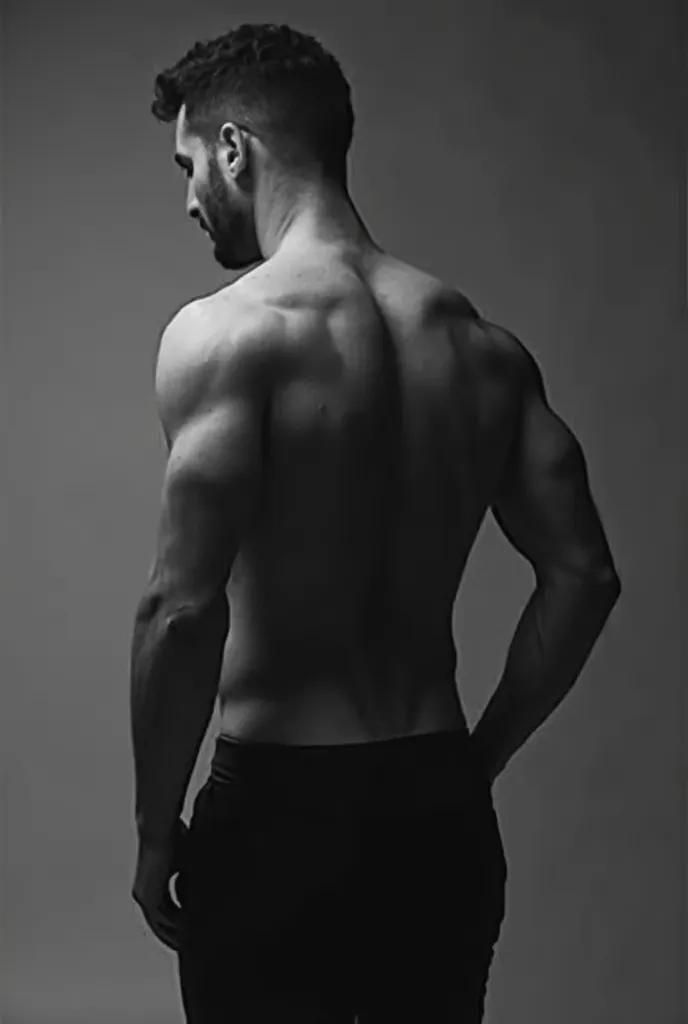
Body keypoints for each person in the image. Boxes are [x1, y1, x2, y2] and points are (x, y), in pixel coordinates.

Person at [129, 22, 622, 1024]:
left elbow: (182, 611)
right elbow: (583, 577)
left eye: (188, 165)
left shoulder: (226, 335)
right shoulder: (481, 348)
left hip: (276, 816)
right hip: (436, 805)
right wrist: (471, 762)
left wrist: (154, 833)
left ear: (236, 148)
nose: (187, 196)